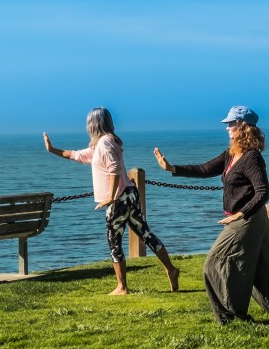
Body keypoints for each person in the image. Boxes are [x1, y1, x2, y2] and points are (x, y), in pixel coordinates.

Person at [153, 106, 269, 324]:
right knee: (261, 273)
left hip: (248, 219)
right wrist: (172, 168)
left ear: (243, 126)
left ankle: (232, 315)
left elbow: (263, 192)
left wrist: (240, 214)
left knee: (214, 262)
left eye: (231, 124)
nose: (227, 128)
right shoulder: (230, 155)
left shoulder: (252, 158)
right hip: (247, 218)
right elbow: (205, 169)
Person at [43, 107, 180, 295]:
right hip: (130, 194)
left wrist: (111, 196)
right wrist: (52, 150)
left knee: (114, 241)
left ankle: (122, 287)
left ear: (93, 124)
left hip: (120, 199)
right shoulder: (102, 144)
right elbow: (76, 155)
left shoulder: (104, 144)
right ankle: (171, 269)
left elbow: (114, 169)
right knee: (146, 234)